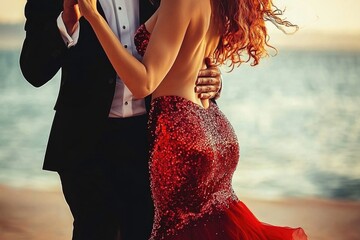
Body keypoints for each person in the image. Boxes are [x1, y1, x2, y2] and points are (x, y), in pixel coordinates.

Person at [76, 0, 309, 239]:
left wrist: (93, 16)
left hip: (182, 131)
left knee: (177, 228)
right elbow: (196, 59)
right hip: (213, 126)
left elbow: (143, 83)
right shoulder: (218, 4)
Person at [19, 0, 222, 239]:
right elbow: (33, 70)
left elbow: (191, 45)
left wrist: (211, 81)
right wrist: (67, 22)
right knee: (96, 231)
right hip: (85, 143)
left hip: (151, 141)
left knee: (146, 231)